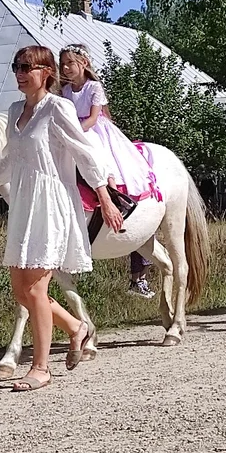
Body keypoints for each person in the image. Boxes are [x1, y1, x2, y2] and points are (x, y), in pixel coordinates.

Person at [0, 46, 122, 392]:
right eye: (15, 67)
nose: (19, 73)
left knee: (36, 288)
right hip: (23, 205)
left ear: (46, 72)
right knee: (21, 291)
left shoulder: (58, 107)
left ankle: (40, 368)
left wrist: (105, 197)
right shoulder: (15, 110)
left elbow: (85, 152)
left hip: (51, 205)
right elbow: (8, 161)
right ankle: (77, 328)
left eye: (26, 67)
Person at [58, 44, 159, 299]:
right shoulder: (66, 91)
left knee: (101, 157)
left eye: (70, 63)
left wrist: (76, 130)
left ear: (83, 63)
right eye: (64, 64)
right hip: (73, 133)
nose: (66, 68)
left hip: (94, 131)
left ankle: (113, 195)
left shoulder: (94, 88)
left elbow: (93, 118)